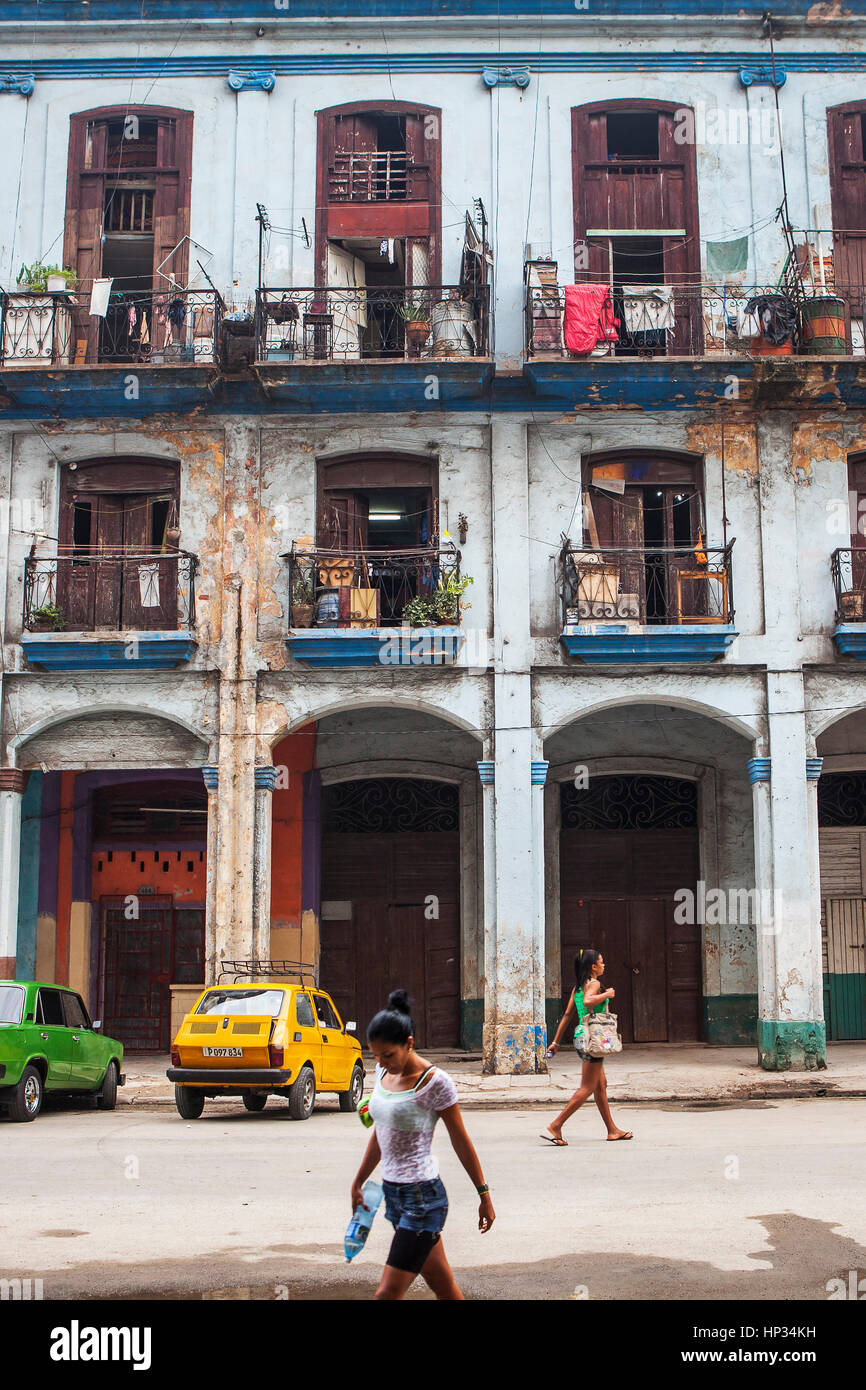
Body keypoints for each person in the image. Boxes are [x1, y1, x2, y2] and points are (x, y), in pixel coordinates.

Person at [351, 988, 495, 1300]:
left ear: (409, 1044)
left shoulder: (434, 1082)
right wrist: (359, 1180)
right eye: (376, 1056)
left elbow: (461, 1140)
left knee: (386, 1293)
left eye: (389, 1055)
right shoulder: (384, 1072)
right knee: (443, 1286)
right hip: (394, 1195)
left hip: (422, 1199)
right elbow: (381, 1133)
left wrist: (483, 1194)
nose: (383, 1063)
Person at [540, 948, 633, 1146]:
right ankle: (556, 1125)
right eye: (601, 962)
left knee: (601, 1085)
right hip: (594, 1040)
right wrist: (607, 994)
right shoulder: (595, 984)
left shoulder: (578, 988)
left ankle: (612, 1130)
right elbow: (590, 1001)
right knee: (588, 1087)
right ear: (593, 967)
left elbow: (567, 1016)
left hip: (581, 1038)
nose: (603, 965)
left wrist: (556, 1042)